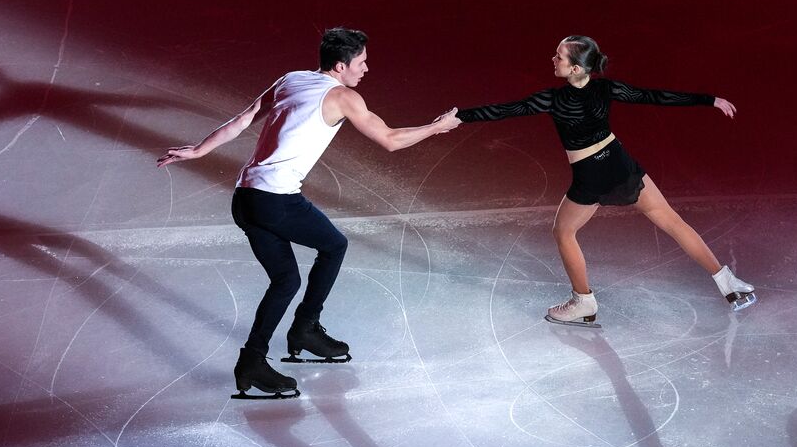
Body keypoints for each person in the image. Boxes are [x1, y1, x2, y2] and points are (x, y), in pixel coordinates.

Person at [158, 28, 460, 398]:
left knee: (286, 281)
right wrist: (438, 127)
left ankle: (254, 360)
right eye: (361, 62)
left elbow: (245, 117)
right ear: (340, 65)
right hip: (276, 201)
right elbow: (390, 140)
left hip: (247, 197)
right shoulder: (344, 97)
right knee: (333, 246)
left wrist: (200, 150)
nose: (366, 68)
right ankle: (304, 329)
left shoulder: (292, 79)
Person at [456, 35, 754, 326]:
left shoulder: (553, 99)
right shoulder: (606, 88)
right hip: (620, 163)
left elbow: (504, 110)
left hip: (591, 174)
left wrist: (458, 118)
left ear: (575, 69)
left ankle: (583, 302)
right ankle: (728, 283)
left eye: (558, 56)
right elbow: (654, 96)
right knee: (672, 222)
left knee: (563, 231)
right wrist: (710, 100)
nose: (553, 59)